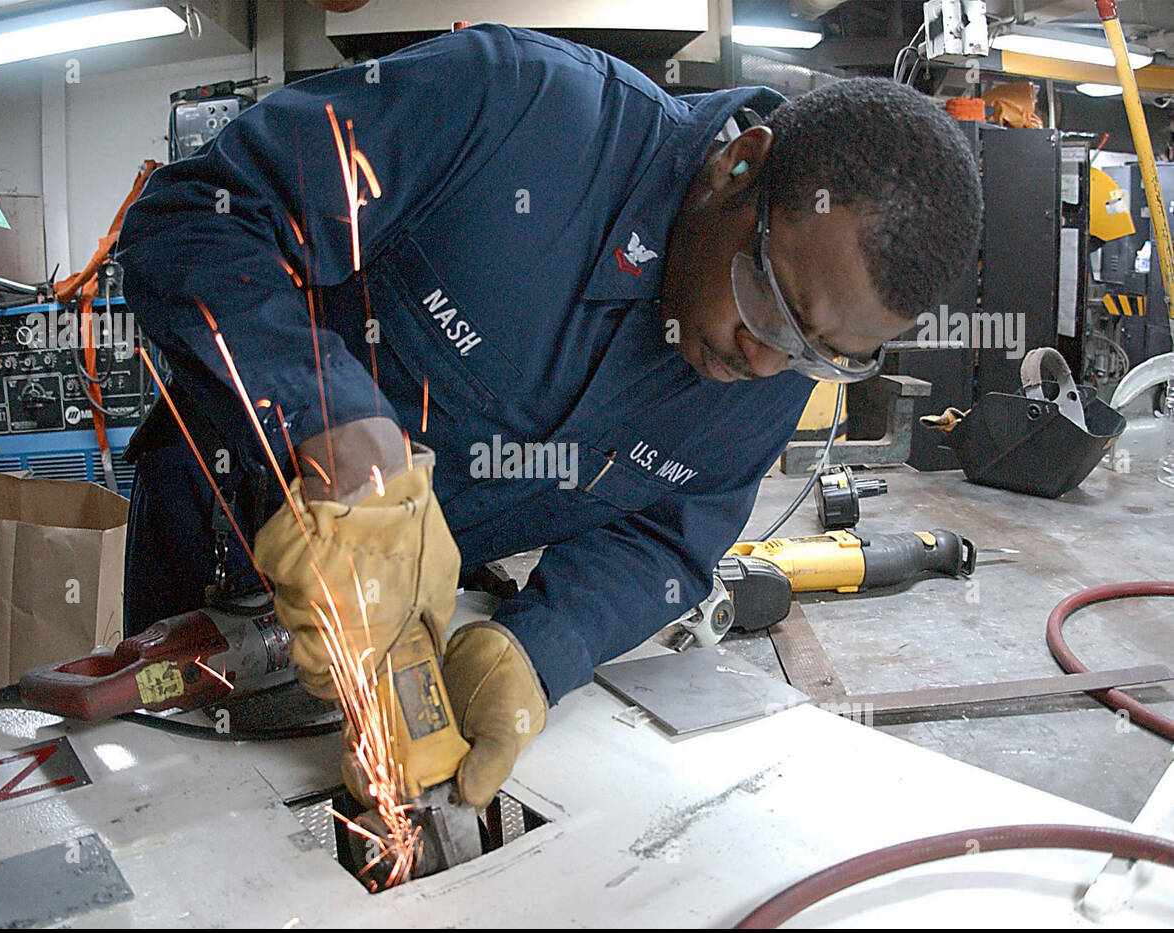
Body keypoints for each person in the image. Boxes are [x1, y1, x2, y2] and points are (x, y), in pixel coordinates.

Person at [116, 23, 982, 808]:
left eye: (821, 351)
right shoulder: (509, 111)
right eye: (771, 301)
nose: (765, 361)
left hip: (408, 638)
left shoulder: (777, 363)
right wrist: (333, 425)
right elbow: (196, 222)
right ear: (740, 165)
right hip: (210, 569)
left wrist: (539, 648)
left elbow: (672, 539)